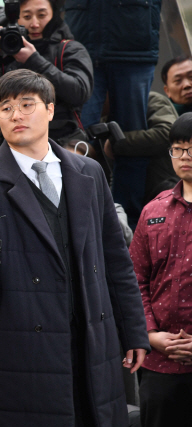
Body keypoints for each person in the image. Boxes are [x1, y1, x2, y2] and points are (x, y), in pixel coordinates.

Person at [0, 69, 150, 426]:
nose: (15, 115)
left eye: (27, 104)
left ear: (51, 109)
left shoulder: (89, 172)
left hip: (92, 340)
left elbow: (117, 261)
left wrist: (134, 330)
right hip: (23, 347)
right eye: (5, 108)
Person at [65, 0, 162, 230]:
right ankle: (74, 216)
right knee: (76, 138)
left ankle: (128, 223)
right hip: (82, 42)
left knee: (129, 138)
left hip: (134, 44)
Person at [129, 112, 192, 427]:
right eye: (178, 149)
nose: (185, 157)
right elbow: (135, 280)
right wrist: (150, 334)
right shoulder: (153, 210)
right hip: (158, 363)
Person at [0, 0, 93, 144]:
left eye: (42, 15)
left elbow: (79, 92)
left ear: (54, 15)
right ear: (16, 18)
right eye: (27, 17)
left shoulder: (69, 49)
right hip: (14, 141)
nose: (35, 24)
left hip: (62, 139)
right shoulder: (4, 52)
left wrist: (33, 60)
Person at [104, 91, 179, 203]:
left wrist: (117, 143)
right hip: (127, 200)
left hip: (163, 194)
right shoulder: (101, 118)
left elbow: (168, 133)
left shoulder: (148, 100)